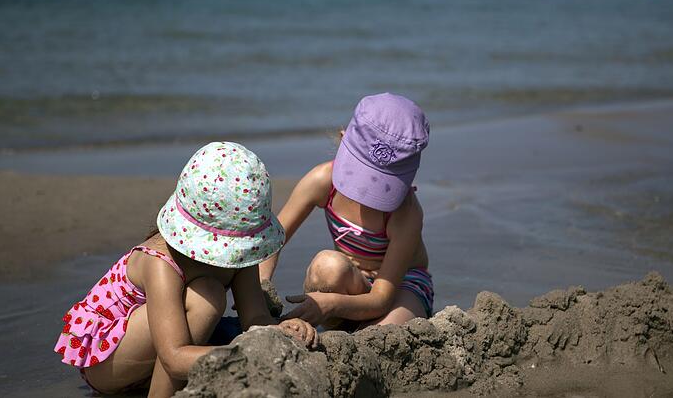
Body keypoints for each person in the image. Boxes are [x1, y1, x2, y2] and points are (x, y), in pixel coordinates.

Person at [53, 141, 317, 397]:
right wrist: (247, 355)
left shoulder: (239, 256)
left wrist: (279, 331)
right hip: (107, 361)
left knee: (212, 302)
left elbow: (255, 319)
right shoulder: (159, 262)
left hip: (160, 355)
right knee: (207, 297)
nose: (237, 252)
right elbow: (174, 357)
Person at [260, 93, 433, 329]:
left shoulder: (405, 212)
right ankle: (338, 324)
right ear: (343, 140)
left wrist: (333, 304)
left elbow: (382, 298)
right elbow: (272, 241)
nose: (367, 190)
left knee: (383, 334)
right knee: (327, 266)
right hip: (351, 280)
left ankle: (349, 322)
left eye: (381, 183)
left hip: (400, 285)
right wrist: (261, 285)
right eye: (362, 175)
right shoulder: (323, 181)